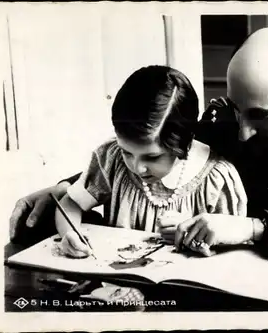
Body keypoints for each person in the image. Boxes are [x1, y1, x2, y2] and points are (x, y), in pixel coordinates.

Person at [9, 28, 268, 302]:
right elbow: (164, 152)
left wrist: (253, 227)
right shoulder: (228, 118)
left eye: (261, 116)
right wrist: (63, 187)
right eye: (236, 109)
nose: (243, 132)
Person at [52, 65, 248, 258]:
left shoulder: (217, 179)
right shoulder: (112, 160)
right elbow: (70, 203)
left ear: (184, 142)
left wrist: (195, 233)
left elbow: (232, 256)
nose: (137, 168)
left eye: (152, 157)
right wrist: (69, 233)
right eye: (127, 152)